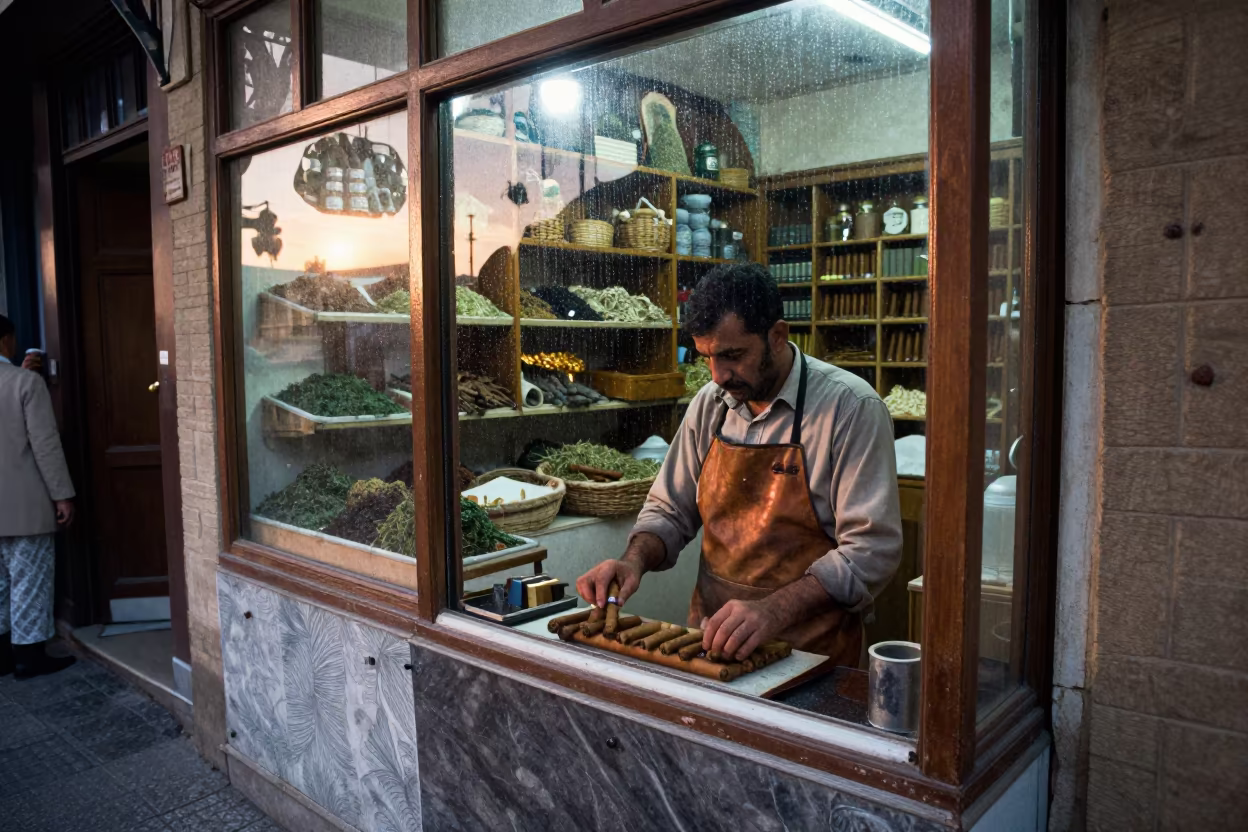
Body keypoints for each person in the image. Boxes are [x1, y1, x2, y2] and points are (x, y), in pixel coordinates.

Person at [577, 264, 902, 668]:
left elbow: (871, 551)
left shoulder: (850, 408)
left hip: (811, 655)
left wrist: (774, 610)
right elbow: (670, 510)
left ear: (778, 336)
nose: (718, 375)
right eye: (707, 357)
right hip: (710, 646)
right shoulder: (710, 405)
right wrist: (633, 560)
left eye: (733, 355)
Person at [0, 314, 77, 679]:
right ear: (6, 342)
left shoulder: (20, 380)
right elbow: (45, 446)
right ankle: (29, 657)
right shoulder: (25, 384)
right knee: (29, 579)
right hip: (24, 505)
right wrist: (62, 495)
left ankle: (2, 655)